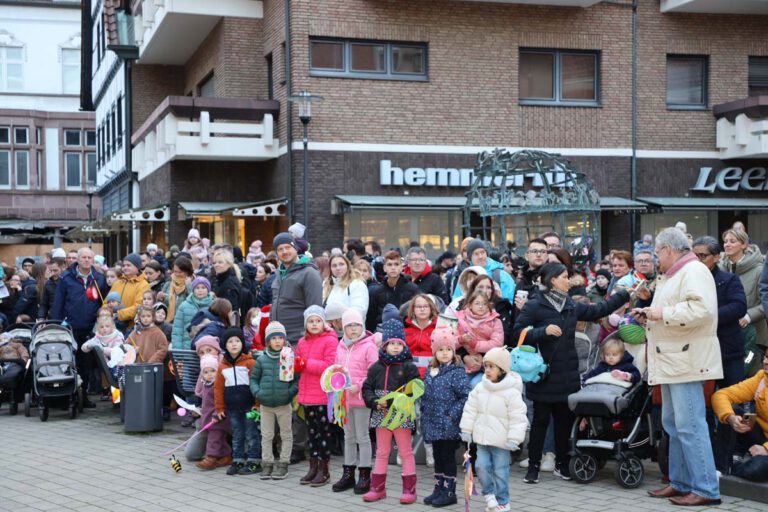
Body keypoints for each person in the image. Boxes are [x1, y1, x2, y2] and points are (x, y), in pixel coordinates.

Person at [513, 262, 630, 484]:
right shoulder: (535, 305)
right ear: (552, 280)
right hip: (543, 375)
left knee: (564, 423)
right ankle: (534, 466)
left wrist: (623, 295)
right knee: (539, 422)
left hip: (567, 375)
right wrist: (542, 332)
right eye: (565, 276)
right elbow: (517, 333)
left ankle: (562, 464)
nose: (569, 280)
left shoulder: (570, 305)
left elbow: (599, 310)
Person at [636, 227, 722, 506]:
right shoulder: (674, 274)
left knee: (690, 426)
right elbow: (672, 314)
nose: (656, 258)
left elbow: (701, 310)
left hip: (686, 359)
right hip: (674, 359)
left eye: (657, 252)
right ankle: (681, 482)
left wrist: (661, 313)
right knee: (674, 424)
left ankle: (706, 488)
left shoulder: (693, 272)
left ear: (668, 250)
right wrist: (649, 317)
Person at [692, 236, 747, 473]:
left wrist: (707, 315)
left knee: (729, 407)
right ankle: (705, 462)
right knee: (701, 410)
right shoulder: (688, 280)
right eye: (693, 255)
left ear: (716, 257)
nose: (697, 260)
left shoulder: (728, 279)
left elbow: (739, 307)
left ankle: (724, 463)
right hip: (698, 354)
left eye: (702, 256)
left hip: (727, 353)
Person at [459, 347, 527, 512]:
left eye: (492, 367)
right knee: (481, 467)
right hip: (482, 440)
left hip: (502, 442)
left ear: (502, 370)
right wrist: (466, 430)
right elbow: (470, 409)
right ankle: (489, 494)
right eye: (486, 366)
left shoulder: (511, 392)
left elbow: (518, 417)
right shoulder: (480, 388)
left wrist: (514, 439)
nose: (487, 370)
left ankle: (503, 501)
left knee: (500, 472)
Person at [362, 316, 421, 504]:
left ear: (404, 346)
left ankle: (409, 490)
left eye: (399, 343)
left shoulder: (409, 367)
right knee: (381, 452)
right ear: (384, 345)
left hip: (401, 416)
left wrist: (403, 400)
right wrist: (374, 402)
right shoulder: (375, 368)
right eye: (391, 343)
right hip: (381, 415)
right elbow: (367, 388)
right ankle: (377, 488)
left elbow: (416, 388)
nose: (395, 346)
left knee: (405, 452)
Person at [50, 247, 108, 408]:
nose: (87, 260)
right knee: (68, 361)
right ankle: (68, 396)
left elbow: (103, 303)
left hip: (90, 328)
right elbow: (58, 303)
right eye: (83, 257)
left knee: (86, 364)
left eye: (90, 257)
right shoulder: (66, 277)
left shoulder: (99, 278)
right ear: (78, 259)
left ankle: (84, 396)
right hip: (70, 327)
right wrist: (56, 324)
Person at [421, 326, 471, 508]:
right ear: (435, 352)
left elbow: (465, 395)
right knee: (438, 456)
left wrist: (452, 415)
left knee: (447, 456)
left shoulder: (457, 372)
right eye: (440, 350)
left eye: (448, 349)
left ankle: (450, 492)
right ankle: (439, 488)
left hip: (448, 424)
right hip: (433, 422)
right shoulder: (431, 370)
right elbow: (425, 392)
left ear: (453, 351)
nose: (444, 353)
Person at [331, 309, 378, 494]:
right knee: (348, 437)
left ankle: (365, 474)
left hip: (361, 399)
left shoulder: (369, 346)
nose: (353, 329)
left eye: (356, 325)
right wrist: (335, 382)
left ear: (362, 326)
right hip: (345, 400)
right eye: (349, 325)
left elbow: (373, 374)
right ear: (343, 327)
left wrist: (358, 386)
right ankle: (348, 473)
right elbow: (336, 368)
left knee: (363, 437)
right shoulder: (340, 346)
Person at [295, 305, 338, 486]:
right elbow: (299, 365)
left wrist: (305, 364)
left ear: (324, 323)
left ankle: (324, 469)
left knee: (323, 433)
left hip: (322, 394)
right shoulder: (302, 342)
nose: (314, 324)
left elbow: (329, 365)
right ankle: (313, 467)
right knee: (311, 433)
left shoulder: (330, 340)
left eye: (317, 321)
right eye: (311, 321)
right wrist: (295, 364)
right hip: (307, 394)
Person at [249, 321, 298, 480]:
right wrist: (258, 393)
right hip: (266, 405)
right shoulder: (262, 360)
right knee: (267, 435)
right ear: (268, 340)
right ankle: (267, 463)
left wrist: (289, 393)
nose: (277, 341)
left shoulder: (289, 357)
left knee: (286, 434)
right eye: (273, 338)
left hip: (284, 404)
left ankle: (283, 463)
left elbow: (297, 379)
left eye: (280, 338)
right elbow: (254, 379)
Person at [712, 347, 768, 482]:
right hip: (758, 432)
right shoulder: (761, 377)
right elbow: (721, 395)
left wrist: (766, 449)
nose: (765, 361)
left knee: (756, 469)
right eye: (766, 357)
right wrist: (730, 418)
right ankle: (721, 467)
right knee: (734, 410)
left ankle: (736, 463)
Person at [214, 327, 261, 475]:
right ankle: (238, 460)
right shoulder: (222, 366)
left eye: (237, 341)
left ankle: (254, 461)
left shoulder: (250, 363)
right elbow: (218, 388)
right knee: (237, 434)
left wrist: (258, 405)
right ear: (225, 345)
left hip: (250, 407)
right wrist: (220, 408)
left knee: (251, 433)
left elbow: (257, 384)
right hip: (233, 408)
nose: (234, 344)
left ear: (242, 343)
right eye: (230, 341)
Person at [719, 228, 766, 375]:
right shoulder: (720, 269)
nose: (727, 244)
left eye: (732, 241)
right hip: (727, 334)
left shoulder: (759, 269)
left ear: (744, 244)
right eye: (725, 241)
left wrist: (749, 315)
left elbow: (765, 300)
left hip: (755, 335)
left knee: (749, 375)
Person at [271, 232, 323, 345]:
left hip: (299, 339)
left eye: (288, 247)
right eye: (280, 249)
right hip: (279, 339)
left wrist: (309, 338)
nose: (284, 251)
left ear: (295, 248)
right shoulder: (278, 274)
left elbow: (315, 308)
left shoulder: (309, 273)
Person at [455, 290, 504, 387]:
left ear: (488, 306)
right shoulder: (460, 320)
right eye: (477, 303)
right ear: (470, 305)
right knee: (460, 385)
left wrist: (476, 345)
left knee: (476, 385)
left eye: (484, 304)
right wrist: (461, 340)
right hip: (464, 363)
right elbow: (449, 341)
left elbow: (497, 343)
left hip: (487, 365)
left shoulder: (495, 321)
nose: (481, 306)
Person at [194, 354, 233, 470]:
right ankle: (226, 455)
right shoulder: (206, 384)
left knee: (213, 439)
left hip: (218, 419)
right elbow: (206, 402)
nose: (209, 374)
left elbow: (221, 402)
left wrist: (217, 414)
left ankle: (210, 457)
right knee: (219, 439)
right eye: (206, 372)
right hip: (208, 417)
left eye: (212, 371)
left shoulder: (218, 385)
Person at [366, 250, 420, 331]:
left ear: (402, 267)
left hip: (406, 332)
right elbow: (371, 319)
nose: (393, 267)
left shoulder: (413, 289)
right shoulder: (377, 291)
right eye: (389, 264)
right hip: (381, 333)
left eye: (396, 264)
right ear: (384, 268)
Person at [110, 253, 150, 331]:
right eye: (124, 265)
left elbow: (139, 307)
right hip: (111, 326)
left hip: (131, 328)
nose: (125, 268)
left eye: (128, 265)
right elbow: (106, 302)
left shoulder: (144, 285)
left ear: (137, 267)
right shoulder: (117, 283)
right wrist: (105, 312)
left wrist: (118, 314)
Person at [171, 277, 213, 350]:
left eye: (203, 287)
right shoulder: (184, 306)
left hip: (207, 348)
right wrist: (177, 350)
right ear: (193, 290)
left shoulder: (213, 306)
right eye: (197, 288)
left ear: (208, 290)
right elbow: (177, 330)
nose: (200, 290)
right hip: (186, 347)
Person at [323, 254, 369, 319]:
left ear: (347, 266)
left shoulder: (357, 284)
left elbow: (360, 311)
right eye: (334, 265)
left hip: (350, 327)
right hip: (328, 327)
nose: (338, 268)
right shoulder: (326, 284)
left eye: (341, 264)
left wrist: (338, 320)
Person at [404, 294, 439, 377]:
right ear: (413, 310)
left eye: (426, 306)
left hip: (433, 373)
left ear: (431, 308)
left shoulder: (439, 329)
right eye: (419, 307)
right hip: (409, 374)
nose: (422, 309)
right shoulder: (405, 330)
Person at [158, 256, 192, 324]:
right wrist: (160, 298)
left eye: (180, 272)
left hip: (184, 321)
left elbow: (193, 301)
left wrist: (188, 286)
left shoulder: (194, 283)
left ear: (187, 272)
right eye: (175, 271)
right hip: (166, 322)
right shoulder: (168, 283)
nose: (177, 274)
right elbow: (161, 305)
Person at [211, 249, 243, 318]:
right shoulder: (220, 279)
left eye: (220, 262)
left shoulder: (230, 284)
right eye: (214, 263)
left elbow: (231, 310)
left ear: (229, 263)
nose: (216, 265)